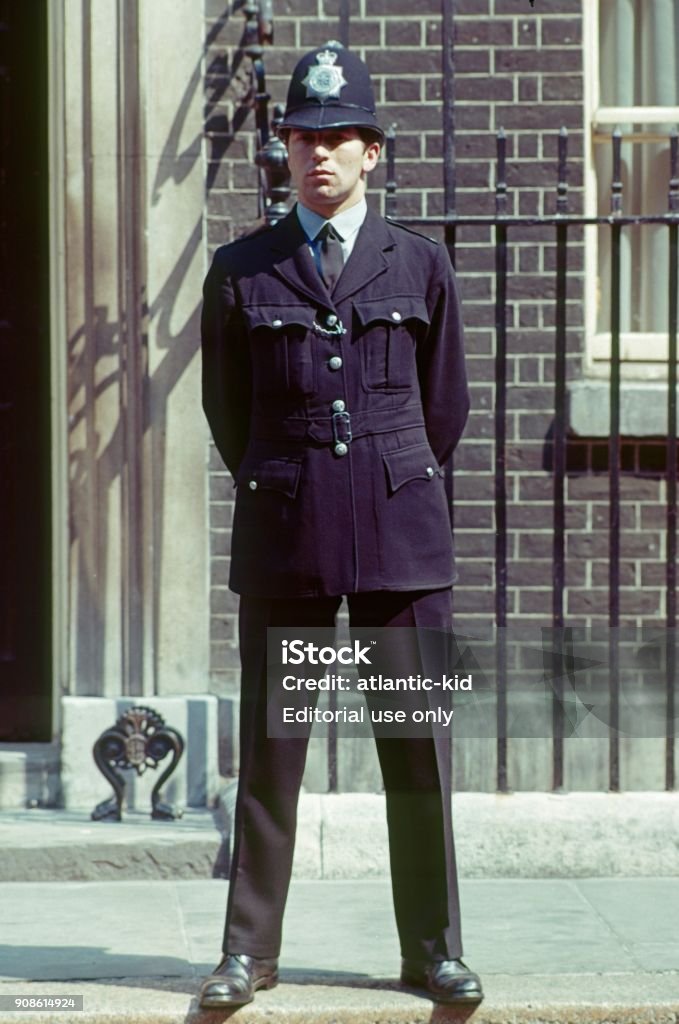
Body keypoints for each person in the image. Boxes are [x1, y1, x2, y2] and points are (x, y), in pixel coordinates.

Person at [199, 42, 481, 1009]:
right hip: (289, 538)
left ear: (373, 153)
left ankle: (434, 950)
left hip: (403, 540)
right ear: (286, 151)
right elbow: (229, 415)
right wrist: (293, 479)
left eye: (339, 138)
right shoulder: (244, 270)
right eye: (303, 138)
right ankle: (249, 954)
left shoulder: (421, 263)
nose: (319, 154)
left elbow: (443, 408)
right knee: (275, 755)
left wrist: (388, 478)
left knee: (416, 754)